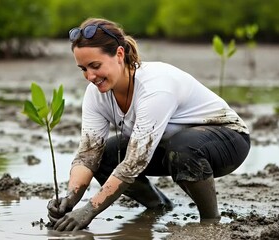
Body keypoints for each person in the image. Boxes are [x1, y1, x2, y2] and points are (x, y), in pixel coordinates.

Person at [47, 17, 251, 231]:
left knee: (182, 147)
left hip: (228, 141)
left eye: (95, 66)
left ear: (119, 54)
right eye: (83, 69)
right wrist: (71, 198)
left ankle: (210, 220)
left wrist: (89, 210)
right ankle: (159, 206)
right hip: (167, 146)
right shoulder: (95, 94)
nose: (90, 76)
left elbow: (133, 163)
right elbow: (88, 154)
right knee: (106, 155)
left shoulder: (155, 87)